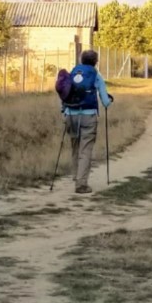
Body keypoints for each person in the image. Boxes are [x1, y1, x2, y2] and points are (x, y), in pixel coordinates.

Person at [62, 48, 112, 194]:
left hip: (70, 113)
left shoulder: (73, 73)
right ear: (95, 62)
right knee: (86, 149)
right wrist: (109, 100)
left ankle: (76, 175)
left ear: (81, 60)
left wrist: (64, 110)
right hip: (88, 116)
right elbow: (105, 101)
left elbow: (65, 93)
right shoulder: (96, 75)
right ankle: (81, 184)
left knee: (75, 146)